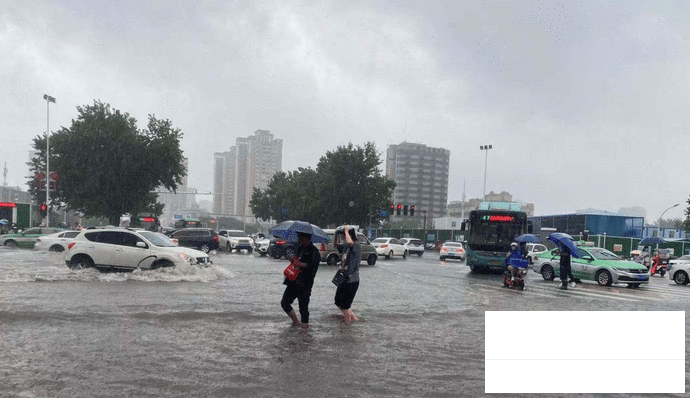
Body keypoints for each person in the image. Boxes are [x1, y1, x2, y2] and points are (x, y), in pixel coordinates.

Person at [280, 232, 321, 327]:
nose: (300, 240)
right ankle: (296, 322)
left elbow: (311, 266)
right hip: (293, 281)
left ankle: (305, 330)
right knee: (285, 303)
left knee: (303, 308)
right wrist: (293, 260)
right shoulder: (299, 248)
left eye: (302, 238)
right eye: (299, 238)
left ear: (308, 239)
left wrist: (299, 263)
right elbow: (296, 260)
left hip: (305, 283)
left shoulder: (314, 252)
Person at [334, 225, 361, 324]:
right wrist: (336, 235)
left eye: (345, 235)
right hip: (344, 278)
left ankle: (347, 327)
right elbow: (336, 245)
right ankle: (353, 318)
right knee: (338, 301)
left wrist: (346, 230)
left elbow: (350, 242)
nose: (344, 237)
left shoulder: (356, 245)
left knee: (345, 305)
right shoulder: (347, 247)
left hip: (352, 280)